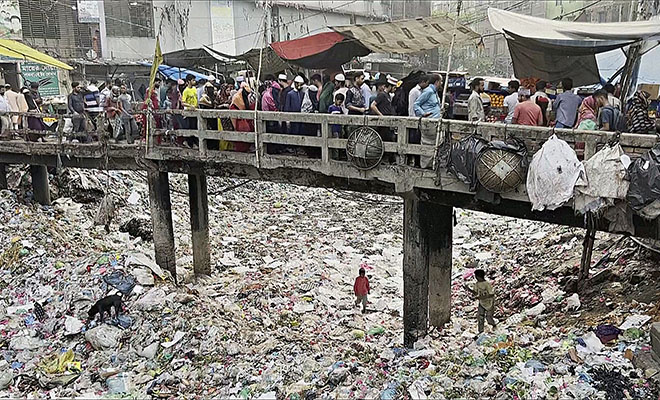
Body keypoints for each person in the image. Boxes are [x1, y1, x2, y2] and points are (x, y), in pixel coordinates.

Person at [413, 74, 443, 169]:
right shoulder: (428, 92)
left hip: (436, 123)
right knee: (429, 144)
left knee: (437, 144)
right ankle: (425, 166)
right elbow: (416, 104)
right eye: (441, 81)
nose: (441, 83)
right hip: (430, 123)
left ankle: (432, 165)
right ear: (437, 82)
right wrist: (422, 113)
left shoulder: (435, 93)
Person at [465, 269, 496, 334]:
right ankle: (480, 331)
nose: (475, 277)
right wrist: (469, 289)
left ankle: (493, 325)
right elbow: (476, 293)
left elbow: (491, 294)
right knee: (480, 317)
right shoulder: (477, 284)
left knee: (489, 317)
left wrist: (482, 297)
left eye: (476, 276)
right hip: (482, 303)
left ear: (478, 276)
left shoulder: (487, 284)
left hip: (489, 302)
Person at [229, 83, 256, 152]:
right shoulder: (237, 98)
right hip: (238, 120)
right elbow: (233, 111)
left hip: (245, 119)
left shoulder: (245, 97)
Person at [370, 75, 397, 143]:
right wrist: (381, 115)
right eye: (394, 87)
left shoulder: (388, 95)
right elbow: (373, 105)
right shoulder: (382, 95)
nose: (395, 89)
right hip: (383, 121)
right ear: (390, 86)